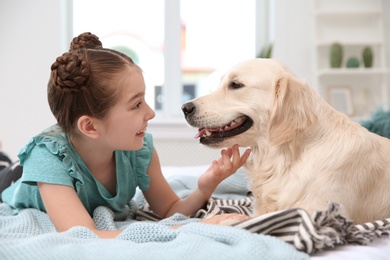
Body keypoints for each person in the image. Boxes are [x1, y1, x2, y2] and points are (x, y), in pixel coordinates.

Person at [1, 32, 251, 238]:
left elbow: (170, 209)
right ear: (90, 127)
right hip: (15, 177)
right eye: (136, 105)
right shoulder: (47, 158)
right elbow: (84, 235)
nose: (151, 113)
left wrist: (205, 187)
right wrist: (196, 228)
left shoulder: (139, 150)